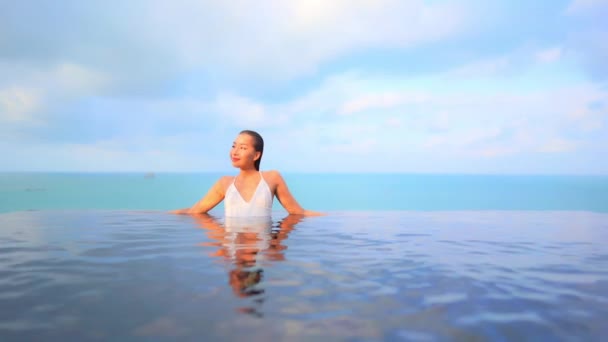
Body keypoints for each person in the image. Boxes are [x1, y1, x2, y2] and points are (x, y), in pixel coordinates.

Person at [171, 130, 322, 216]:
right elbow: (196, 211)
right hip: (232, 244)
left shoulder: (272, 178)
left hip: (262, 246)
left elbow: (297, 212)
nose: (234, 152)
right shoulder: (225, 183)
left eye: (242, 148)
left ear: (256, 155)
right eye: (234, 146)